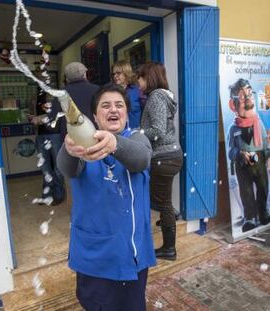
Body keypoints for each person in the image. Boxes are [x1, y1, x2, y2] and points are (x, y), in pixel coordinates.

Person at [56, 84, 156, 310]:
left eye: (119, 105)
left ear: (126, 113)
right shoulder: (81, 145)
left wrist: (114, 143)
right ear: (94, 116)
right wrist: (69, 150)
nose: (114, 110)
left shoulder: (138, 140)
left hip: (132, 255)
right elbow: (67, 169)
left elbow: (141, 159)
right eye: (106, 105)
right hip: (95, 257)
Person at [137, 62, 183, 261]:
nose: (138, 81)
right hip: (172, 154)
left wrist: (136, 133)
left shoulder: (156, 97)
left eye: (141, 77)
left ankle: (169, 249)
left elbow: (157, 131)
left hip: (163, 157)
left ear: (150, 77)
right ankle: (171, 216)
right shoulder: (166, 95)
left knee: (163, 203)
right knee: (164, 201)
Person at [227, 78, 270, 232]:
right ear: (232, 104)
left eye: (249, 93)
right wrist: (239, 153)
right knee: (246, 192)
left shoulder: (258, 123)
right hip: (242, 165)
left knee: (263, 188)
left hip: (259, 161)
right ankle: (250, 217)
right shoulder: (233, 129)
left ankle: (263, 212)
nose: (247, 99)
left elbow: (266, 144)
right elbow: (230, 150)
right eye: (242, 97)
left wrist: (269, 157)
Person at [29, 91, 66, 205]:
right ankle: (47, 194)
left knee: (58, 165)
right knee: (44, 166)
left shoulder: (55, 95)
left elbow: (57, 114)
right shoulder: (34, 97)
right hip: (40, 135)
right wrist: (30, 117)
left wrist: (38, 119)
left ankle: (59, 194)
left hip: (55, 134)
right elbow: (32, 115)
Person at [111, 60, 145, 129]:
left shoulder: (138, 91)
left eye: (118, 73)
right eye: (113, 74)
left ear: (126, 73)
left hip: (135, 132)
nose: (115, 76)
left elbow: (146, 112)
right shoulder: (112, 92)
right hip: (118, 132)